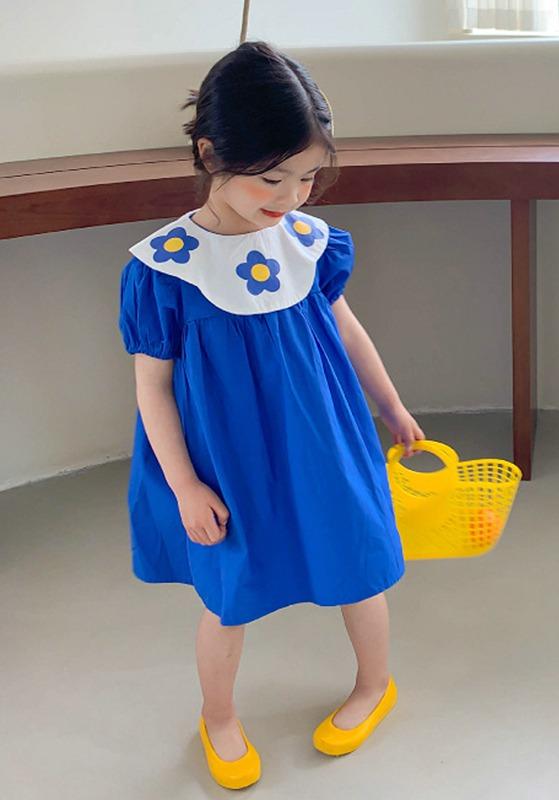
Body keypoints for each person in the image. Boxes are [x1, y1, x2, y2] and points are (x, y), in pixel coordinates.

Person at [118, 40, 424, 790]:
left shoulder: (308, 244)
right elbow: (153, 389)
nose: (292, 196)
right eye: (272, 178)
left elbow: (347, 330)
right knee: (229, 593)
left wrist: (390, 406)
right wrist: (185, 486)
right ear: (210, 153)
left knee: (357, 566)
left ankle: (374, 685)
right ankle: (219, 717)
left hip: (324, 442)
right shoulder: (165, 268)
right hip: (227, 460)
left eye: (308, 177)